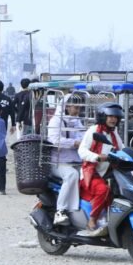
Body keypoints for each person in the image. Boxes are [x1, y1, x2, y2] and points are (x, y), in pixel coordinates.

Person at [78, 102, 125, 231]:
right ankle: (92, 220)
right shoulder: (93, 131)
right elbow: (82, 151)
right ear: (103, 117)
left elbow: (122, 149)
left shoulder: (113, 133)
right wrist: (97, 156)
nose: (113, 119)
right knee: (103, 190)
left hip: (107, 173)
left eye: (115, 117)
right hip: (91, 172)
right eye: (110, 116)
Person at [48, 95, 85, 225]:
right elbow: (54, 140)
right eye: (76, 107)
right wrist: (74, 143)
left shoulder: (76, 120)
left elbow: (83, 135)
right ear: (67, 106)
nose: (78, 110)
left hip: (75, 160)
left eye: (80, 107)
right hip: (58, 162)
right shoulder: (56, 121)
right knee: (71, 175)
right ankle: (60, 211)